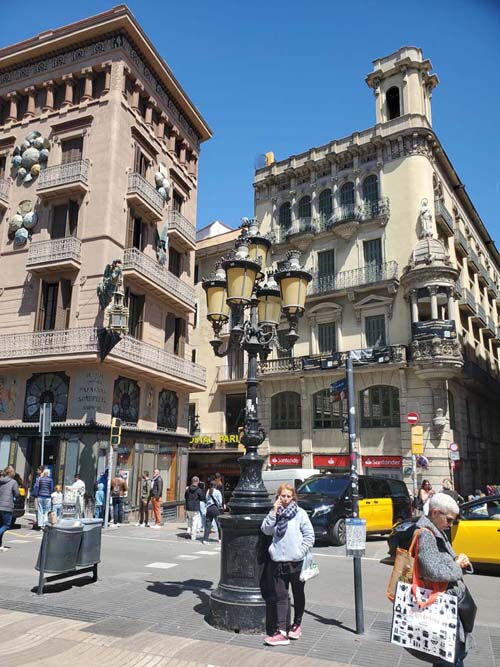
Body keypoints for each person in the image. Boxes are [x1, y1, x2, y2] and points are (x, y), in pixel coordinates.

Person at [415, 493, 473, 667]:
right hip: (441, 603)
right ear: (435, 512)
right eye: (449, 520)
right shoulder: (426, 534)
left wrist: (459, 562)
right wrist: (457, 566)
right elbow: (433, 571)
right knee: (449, 656)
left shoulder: (436, 530)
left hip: (446, 602)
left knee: (449, 655)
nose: (451, 525)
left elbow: (442, 562)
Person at [261, 483, 315, 646]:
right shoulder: (275, 513)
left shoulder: (300, 513)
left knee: (298, 594)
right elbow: (265, 530)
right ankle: (282, 632)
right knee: (281, 596)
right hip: (278, 561)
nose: (285, 499)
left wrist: (300, 552)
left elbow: (309, 536)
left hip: (296, 562)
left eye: (288, 496)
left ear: (293, 497)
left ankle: (297, 624)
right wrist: (273, 511)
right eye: (282, 496)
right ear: (278, 497)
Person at [0, 466, 20, 552]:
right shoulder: (13, 482)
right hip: (7, 506)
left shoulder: (1, 480)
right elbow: (17, 493)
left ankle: (0, 545)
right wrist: (16, 497)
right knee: (6, 525)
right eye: (13, 471)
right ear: (10, 473)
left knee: (1, 525)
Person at [184, 476, 204, 541]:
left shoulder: (188, 489)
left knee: (189, 519)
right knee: (195, 521)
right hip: (195, 507)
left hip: (188, 507)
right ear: (197, 482)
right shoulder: (199, 490)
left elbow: (185, 496)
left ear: (192, 481)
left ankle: (189, 531)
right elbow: (202, 498)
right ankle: (193, 535)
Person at [31, 465, 44, 530]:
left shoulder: (42, 477)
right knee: (37, 509)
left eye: (38, 470)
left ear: (41, 471)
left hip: (38, 494)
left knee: (37, 509)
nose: (37, 471)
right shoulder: (38, 476)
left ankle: (39, 523)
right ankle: (38, 522)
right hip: (36, 493)